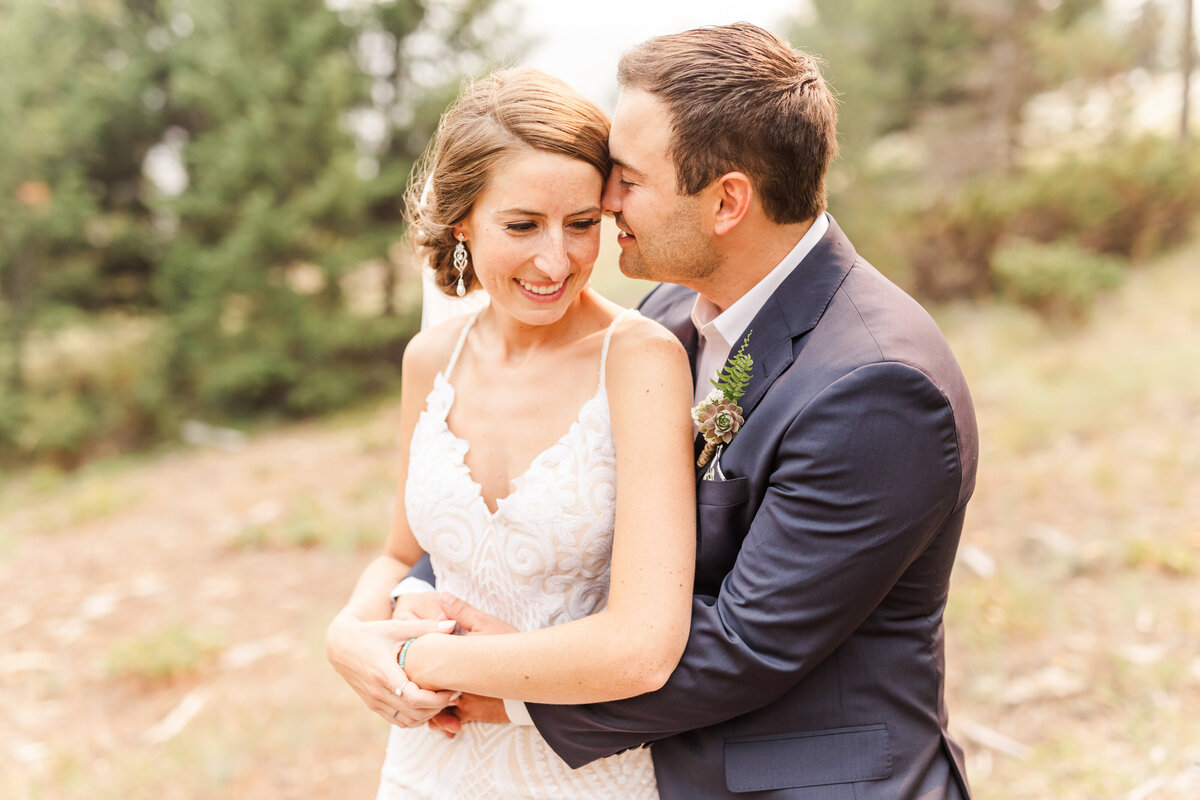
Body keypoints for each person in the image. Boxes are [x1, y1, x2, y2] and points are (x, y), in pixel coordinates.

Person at [401, 23, 981, 800]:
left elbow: (744, 647)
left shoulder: (877, 385)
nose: (605, 203)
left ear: (726, 201)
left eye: (628, 179)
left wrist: (478, 682)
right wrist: (383, 620)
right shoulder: (673, 310)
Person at [323, 68, 697, 799]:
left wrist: (426, 662)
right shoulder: (430, 359)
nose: (556, 260)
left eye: (582, 224)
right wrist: (346, 635)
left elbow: (641, 650)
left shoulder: (642, 361)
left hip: (584, 772)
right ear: (462, 220)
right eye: (522, 226)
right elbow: (403, 552)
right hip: (428, 769)